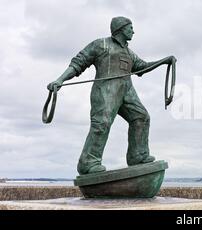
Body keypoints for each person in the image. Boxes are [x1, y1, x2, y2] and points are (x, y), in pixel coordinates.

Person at [47, 16, 176, 175]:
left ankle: (138, 155)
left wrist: (164, 61)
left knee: (141, 117)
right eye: (130, 28)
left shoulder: (129, 52)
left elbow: (141, 67)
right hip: (105, 91)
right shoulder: (101, 44)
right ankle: (88, 163)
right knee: (102, 124)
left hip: (127, 91)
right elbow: (78, 63)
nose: (133, 32)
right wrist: (59, 80)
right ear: (121, 29)